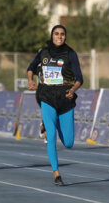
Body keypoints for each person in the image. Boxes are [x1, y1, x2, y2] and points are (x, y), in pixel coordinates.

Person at [27, 25, 83, 186]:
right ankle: (56, 174)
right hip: (47, 96)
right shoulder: (43, 52)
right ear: (52, 36)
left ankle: (50, 121)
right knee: (51, 136)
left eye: (62, 34)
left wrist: (73, 89)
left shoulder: (71, 54)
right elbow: (30, 68)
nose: (59, 36)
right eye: (56, 34)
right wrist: (31, 80)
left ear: (65, 37)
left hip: (65, 99)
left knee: (69, 143)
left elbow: (80, 78)